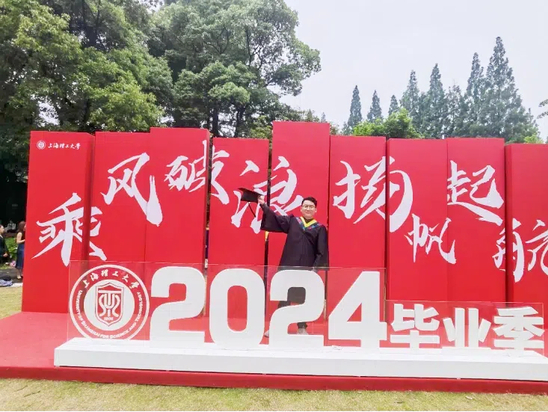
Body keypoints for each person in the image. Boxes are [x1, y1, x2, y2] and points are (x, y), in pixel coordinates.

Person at [259, 196, 329, 336]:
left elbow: (321, 252)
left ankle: (302, 327)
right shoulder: (293, 222)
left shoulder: (319, 228)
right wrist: (263, 206)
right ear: (301, 208)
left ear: (315, 210)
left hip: (306, 270)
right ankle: (277, 327)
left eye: (311, 207)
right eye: (305, 206)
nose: (308, 209)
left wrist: (314, 270)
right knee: (284, 296)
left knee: (304, 298)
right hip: (288, 267)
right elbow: (276, 219)